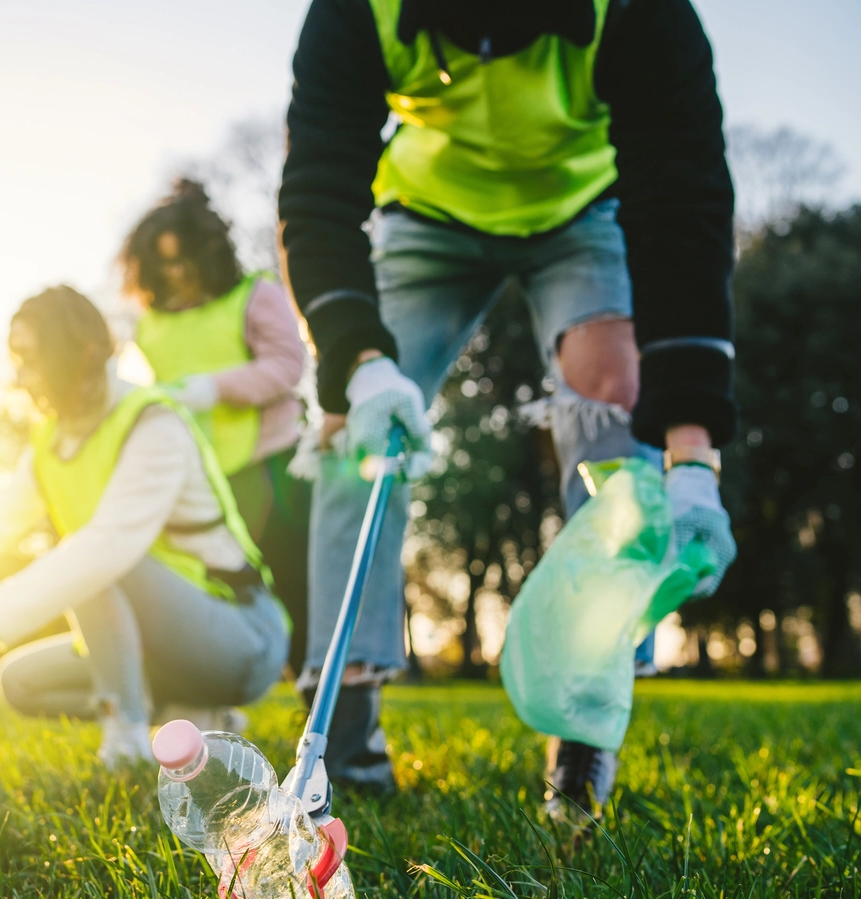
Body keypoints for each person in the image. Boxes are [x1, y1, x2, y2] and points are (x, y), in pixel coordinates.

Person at [278, 0, 738, 817]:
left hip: (583, 210)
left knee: (612, 399)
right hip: (427, 214)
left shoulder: (639, 13)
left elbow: (682, 212)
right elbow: (316, 191)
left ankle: (583, 736)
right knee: (357, 426)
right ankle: (344, 737)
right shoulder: (358, 11)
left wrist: (691, 455)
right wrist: (361, 362)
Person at [0, 287, 290, 766]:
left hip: (240, 638)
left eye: (31, 358)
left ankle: (128, 736)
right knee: (18, 681)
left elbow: (103, 550)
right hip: (159, 647)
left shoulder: (152, 425)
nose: (20, 376)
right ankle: (195, 715)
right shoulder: (50, 444)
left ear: (81, 354)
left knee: (91, 562)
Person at [120, 179, 313, 681]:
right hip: (198, 478)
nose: (178, 272)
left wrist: (213, 388)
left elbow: (287, 366)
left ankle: (317, 701)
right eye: (165, 263)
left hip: (270, 467)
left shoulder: (255, 295)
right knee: (207, 588)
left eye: (185, 259)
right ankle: (214, 696)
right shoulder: (149, 325)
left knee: (292, 586)